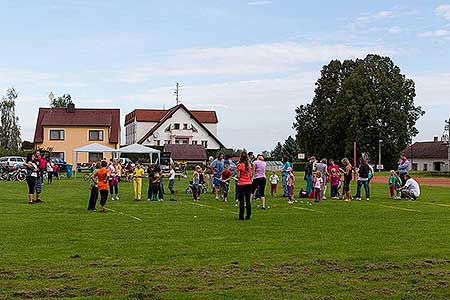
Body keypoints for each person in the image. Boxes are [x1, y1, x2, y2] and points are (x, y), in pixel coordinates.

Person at [236, 151, 253, 220]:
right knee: (248, 200)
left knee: (241, 201)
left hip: (241, 184)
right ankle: (248, 215)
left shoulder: (239, 165)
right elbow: (251, 175)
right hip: (248, 183)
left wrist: (238, 177)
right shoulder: (249, 165)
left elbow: (238, 176)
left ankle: (241, 216)